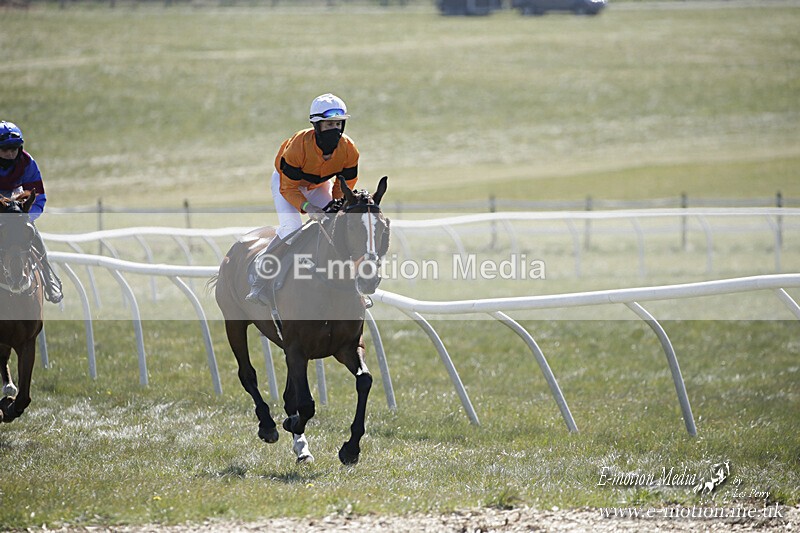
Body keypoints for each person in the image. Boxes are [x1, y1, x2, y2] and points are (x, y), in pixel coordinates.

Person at [245, 93, 359, 305]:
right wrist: (309, 207)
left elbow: (345, 184)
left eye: (337, 124)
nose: (334, 130)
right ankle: (261, 275)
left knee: (338, 222)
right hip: (288, 185)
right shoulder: (298, 146)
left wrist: (336, 205)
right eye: (328, 125)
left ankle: (350, 282)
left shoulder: (349, 149)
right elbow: (288, 189)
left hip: (317, 186)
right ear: (316, 126)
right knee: (291, 228)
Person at [0, 121, 63, 304]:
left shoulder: (27, 163)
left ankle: (49, 280)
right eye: (5, 149)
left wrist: (25, 218)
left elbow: (39, 198)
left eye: (14, 149)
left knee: (32, 233)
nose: (11, 154)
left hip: (15, 206)